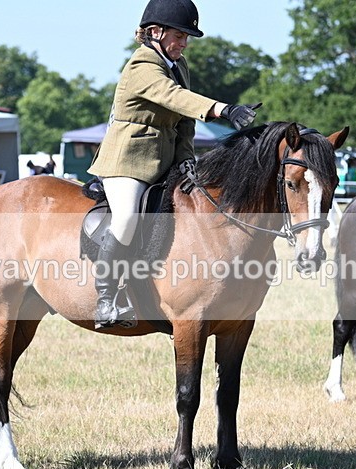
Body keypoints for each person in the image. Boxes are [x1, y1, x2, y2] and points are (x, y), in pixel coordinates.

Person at [87, 0, 262, 329]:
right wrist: (223, 110)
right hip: (127, 162)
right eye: (179, 36)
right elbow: (175, 98)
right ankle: (106, 297)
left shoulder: (179, 66)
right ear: (155, 32)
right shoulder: (143, 65)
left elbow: (184, 122)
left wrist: (186, 160)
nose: (184, 43)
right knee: (126, 218)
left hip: (166, 162)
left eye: (187, 37)